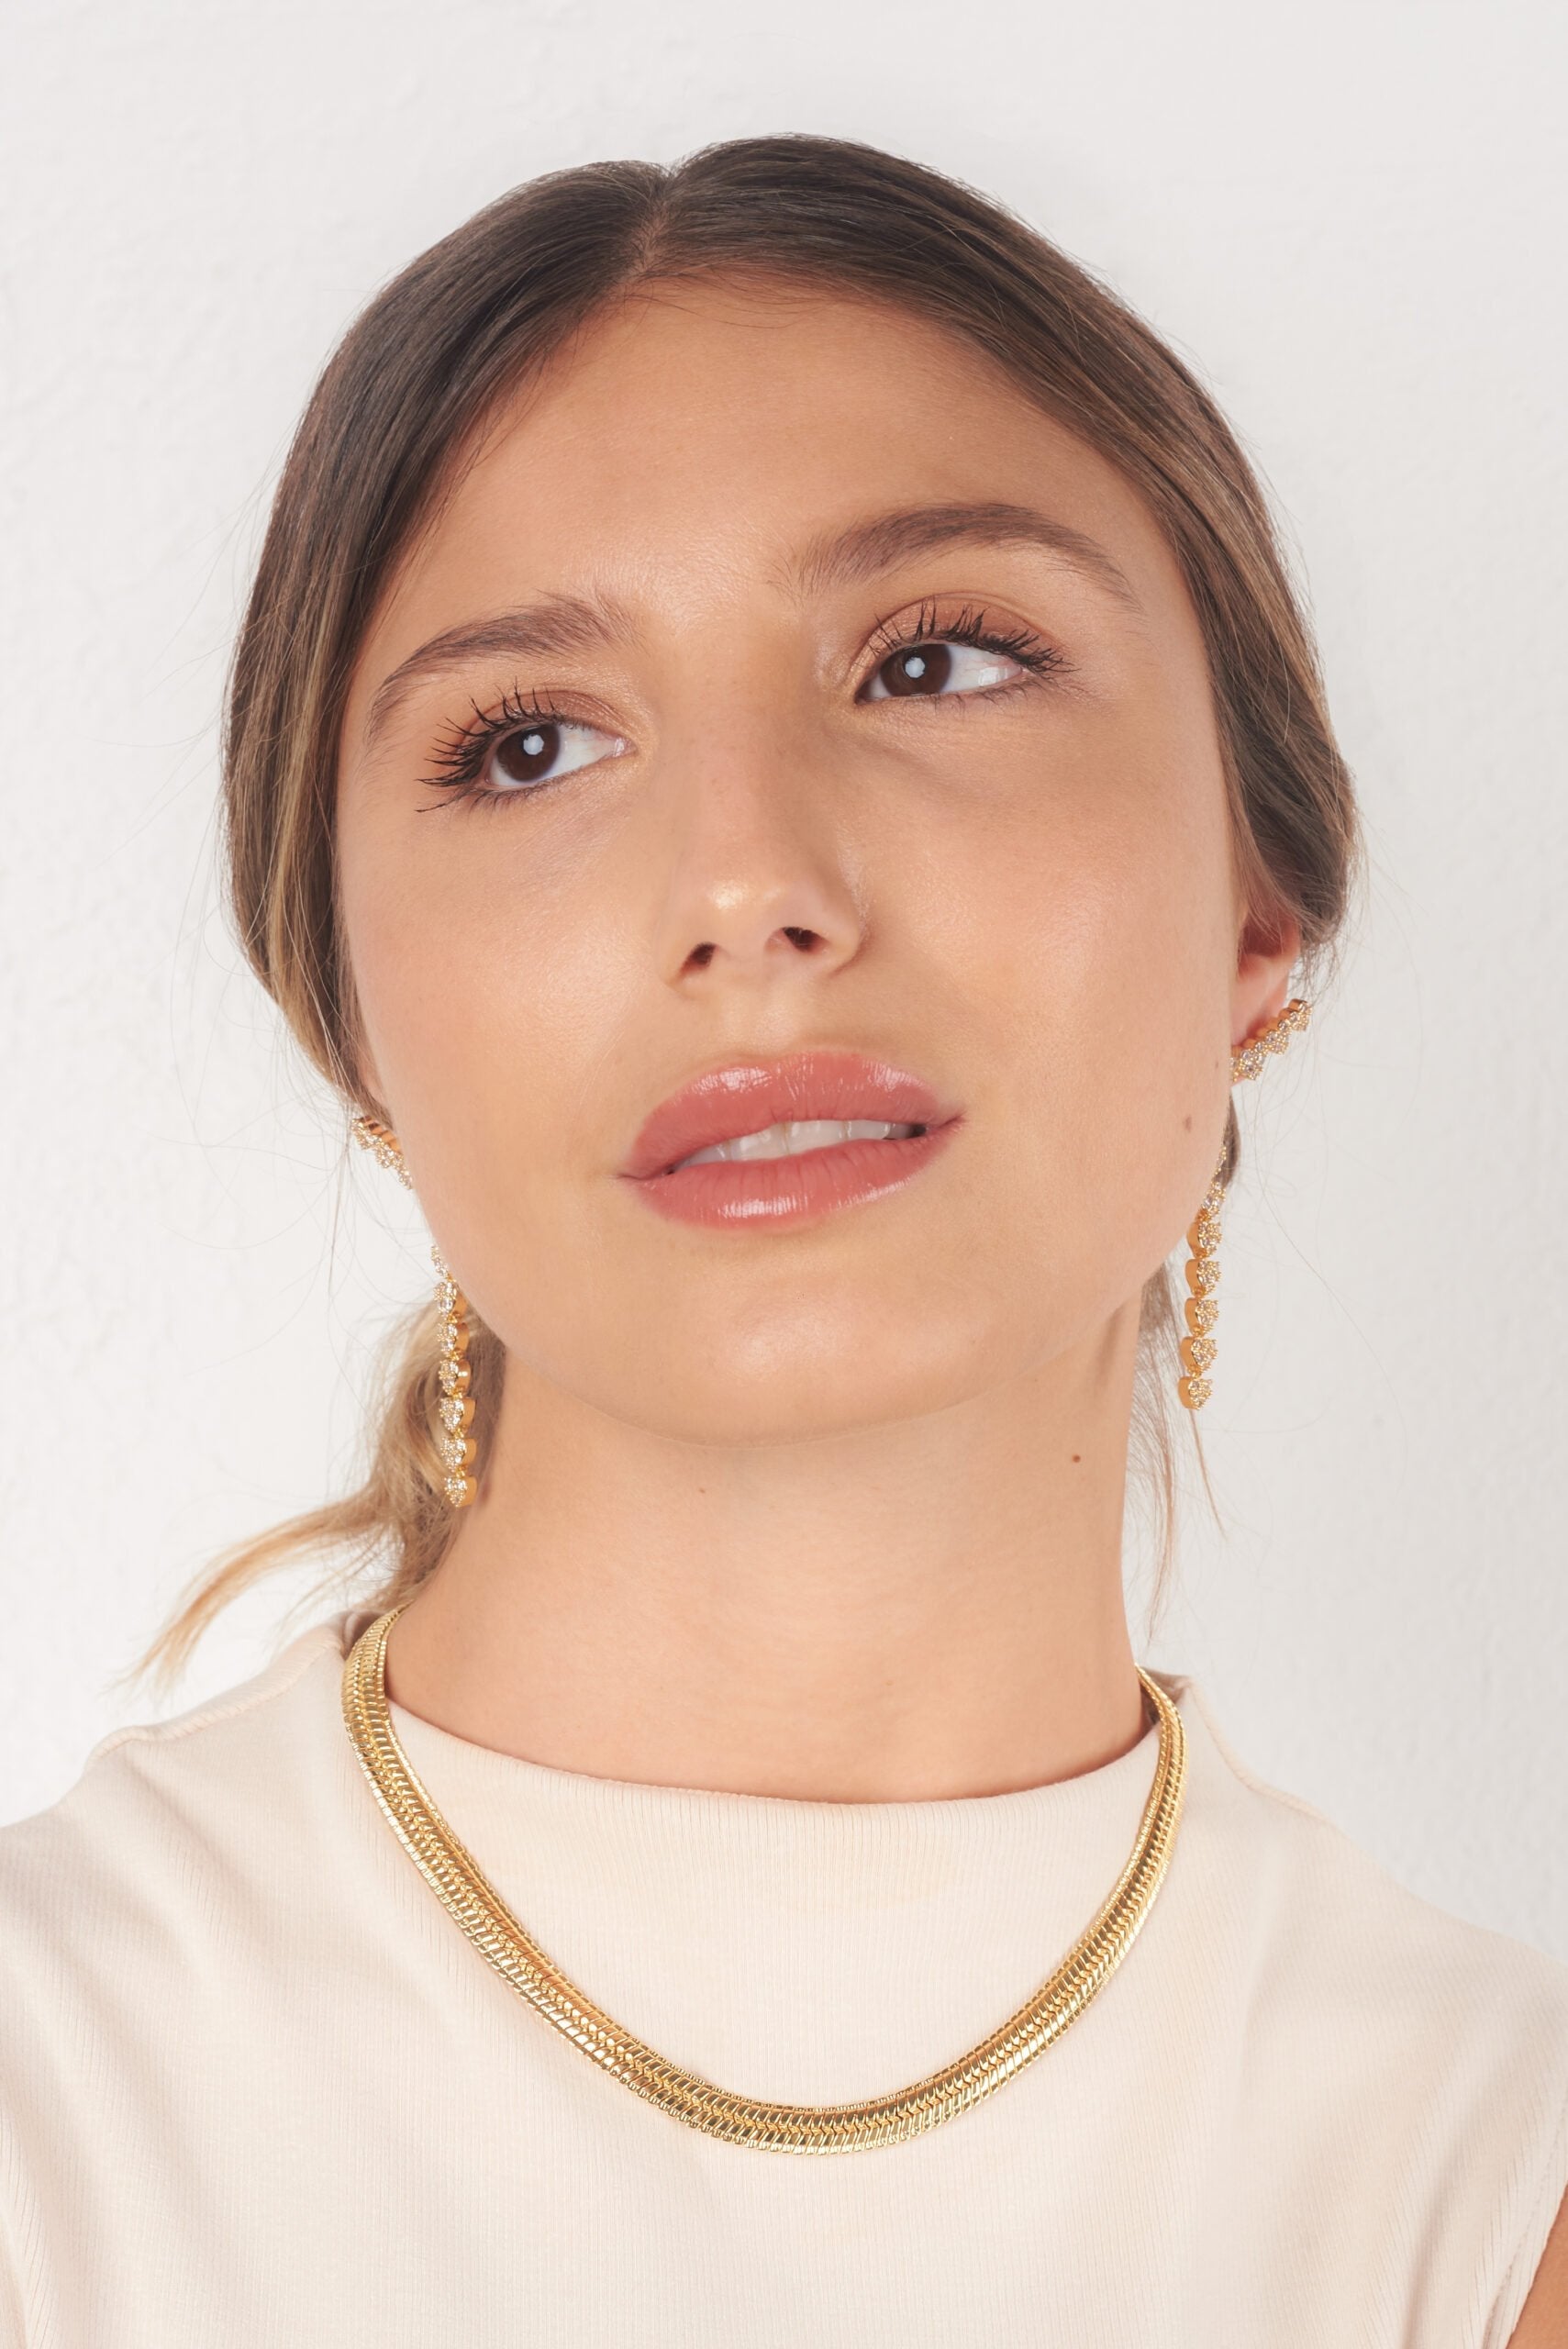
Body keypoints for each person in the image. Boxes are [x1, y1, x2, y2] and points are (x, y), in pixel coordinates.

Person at [1, 134, 1563, 2346]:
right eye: (528, 744)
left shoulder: (1488, 2185)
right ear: (349, 1020)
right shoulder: (54, 2094)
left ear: (1258, 906)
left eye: (937, 661)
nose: (749, 881)